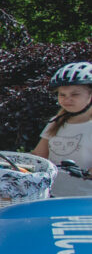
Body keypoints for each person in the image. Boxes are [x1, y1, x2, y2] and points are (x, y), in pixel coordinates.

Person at [32, 62, 92, 197]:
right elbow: (39, 155)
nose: (67, 99)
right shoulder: (56, 122)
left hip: (86, 200)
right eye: (62, 95)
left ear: (90, 96)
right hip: (54, 196)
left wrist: (87, 173)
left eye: (75, 94)